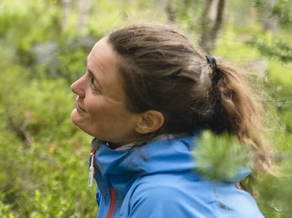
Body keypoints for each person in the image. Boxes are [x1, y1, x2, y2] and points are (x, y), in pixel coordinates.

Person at [71, 23, 273, 217]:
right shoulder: (133, 171)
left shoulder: (163, 199)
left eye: (95, 84)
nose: (75, 86)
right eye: (86, 73)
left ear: (147, 122)